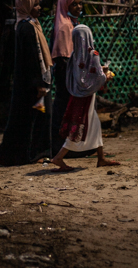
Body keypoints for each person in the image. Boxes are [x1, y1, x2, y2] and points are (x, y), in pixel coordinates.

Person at [0, 0, 53, 166]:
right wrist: (38, 84)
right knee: (40, 116)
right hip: (34, 86)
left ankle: (25, 153)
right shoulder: (26, 28)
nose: (39, 8)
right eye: (35, 5)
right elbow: (31, 58)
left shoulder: (31, 25)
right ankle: (35, 153)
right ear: (26, 7)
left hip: (36, 83)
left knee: (35, 117)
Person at [51, 24, 120, 171]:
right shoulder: (92, 54)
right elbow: (97, 76)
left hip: (77, 94)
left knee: (94, 124)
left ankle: (101, 158)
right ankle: (58, 157)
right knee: (79, 126)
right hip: (87, 97)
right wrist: (106, 76)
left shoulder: (74, 55)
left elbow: (82, 76)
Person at [49, 0, 94, 158]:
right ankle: (61, 149)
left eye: (80, 3)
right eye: (74, 4)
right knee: (65, 110)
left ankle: (71, 148)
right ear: (66, 6)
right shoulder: (64, 27)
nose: (79, 7)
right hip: (66, 77)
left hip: (71, 74)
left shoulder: (72, 24)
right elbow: (63, 55)